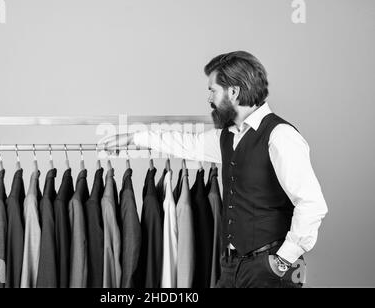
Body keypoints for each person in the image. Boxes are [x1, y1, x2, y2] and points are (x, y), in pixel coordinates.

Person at [98, 51, 328, 288]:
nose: (209, 98)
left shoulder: (280, 136)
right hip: (231, 266)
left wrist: (282, 261)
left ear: (234, 92)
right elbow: (185, 143)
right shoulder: (228, 136)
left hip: (270, 267)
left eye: (213, 90)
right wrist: (134, 138)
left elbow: (311, 204)